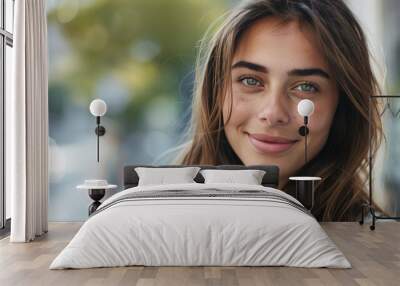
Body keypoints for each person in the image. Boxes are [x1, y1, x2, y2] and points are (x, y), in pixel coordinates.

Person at [174, 0, 384, 221]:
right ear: (216, 91)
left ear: (342, 106)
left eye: (306, 87)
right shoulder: (158, 225)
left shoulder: (375, 246)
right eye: (250, 80)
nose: (273, 113)